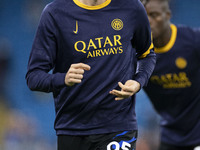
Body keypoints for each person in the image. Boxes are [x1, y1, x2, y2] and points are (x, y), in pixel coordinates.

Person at [26, 0, 156, 149]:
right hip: (73, 128)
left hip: (118, 125)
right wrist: (63, 79)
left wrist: (139, 81)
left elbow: (147, 54)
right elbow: (33, 77)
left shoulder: (131, 7)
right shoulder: (55, 13)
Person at [142, 0, 200, 150]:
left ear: (167, 15)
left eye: (153, 15)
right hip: (171, 137)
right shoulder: (135, 55)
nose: (148, 21)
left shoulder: (193, 41)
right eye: (142, 16)